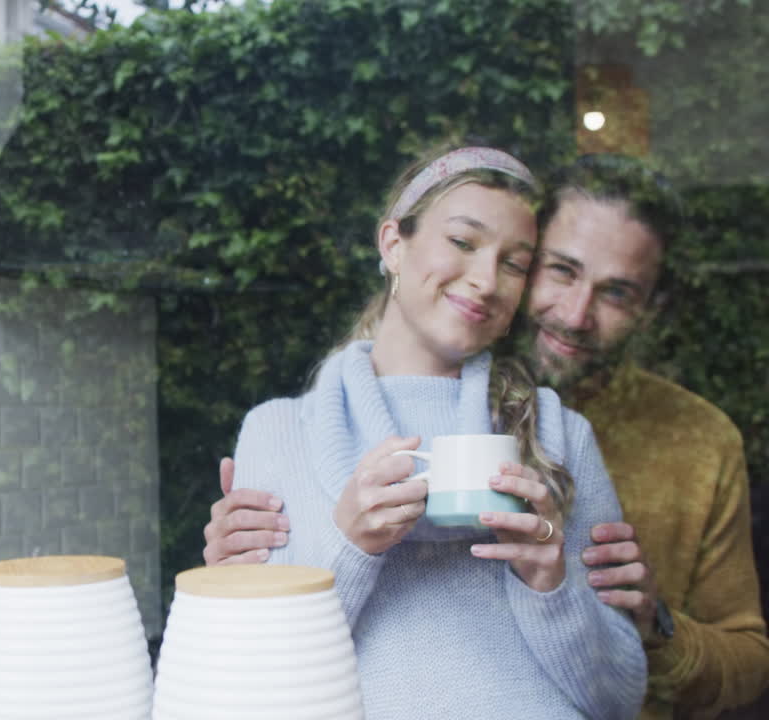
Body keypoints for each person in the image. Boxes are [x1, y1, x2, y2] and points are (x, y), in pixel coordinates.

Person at [206, 154, 769, 719]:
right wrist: (319, 554)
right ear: (393, 244)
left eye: (513, 263)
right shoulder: (280, 431)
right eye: (561, 271)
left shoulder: (570, 431)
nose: (485, 280)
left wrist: (565, 589)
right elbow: (250, 681)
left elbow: (630, 689)